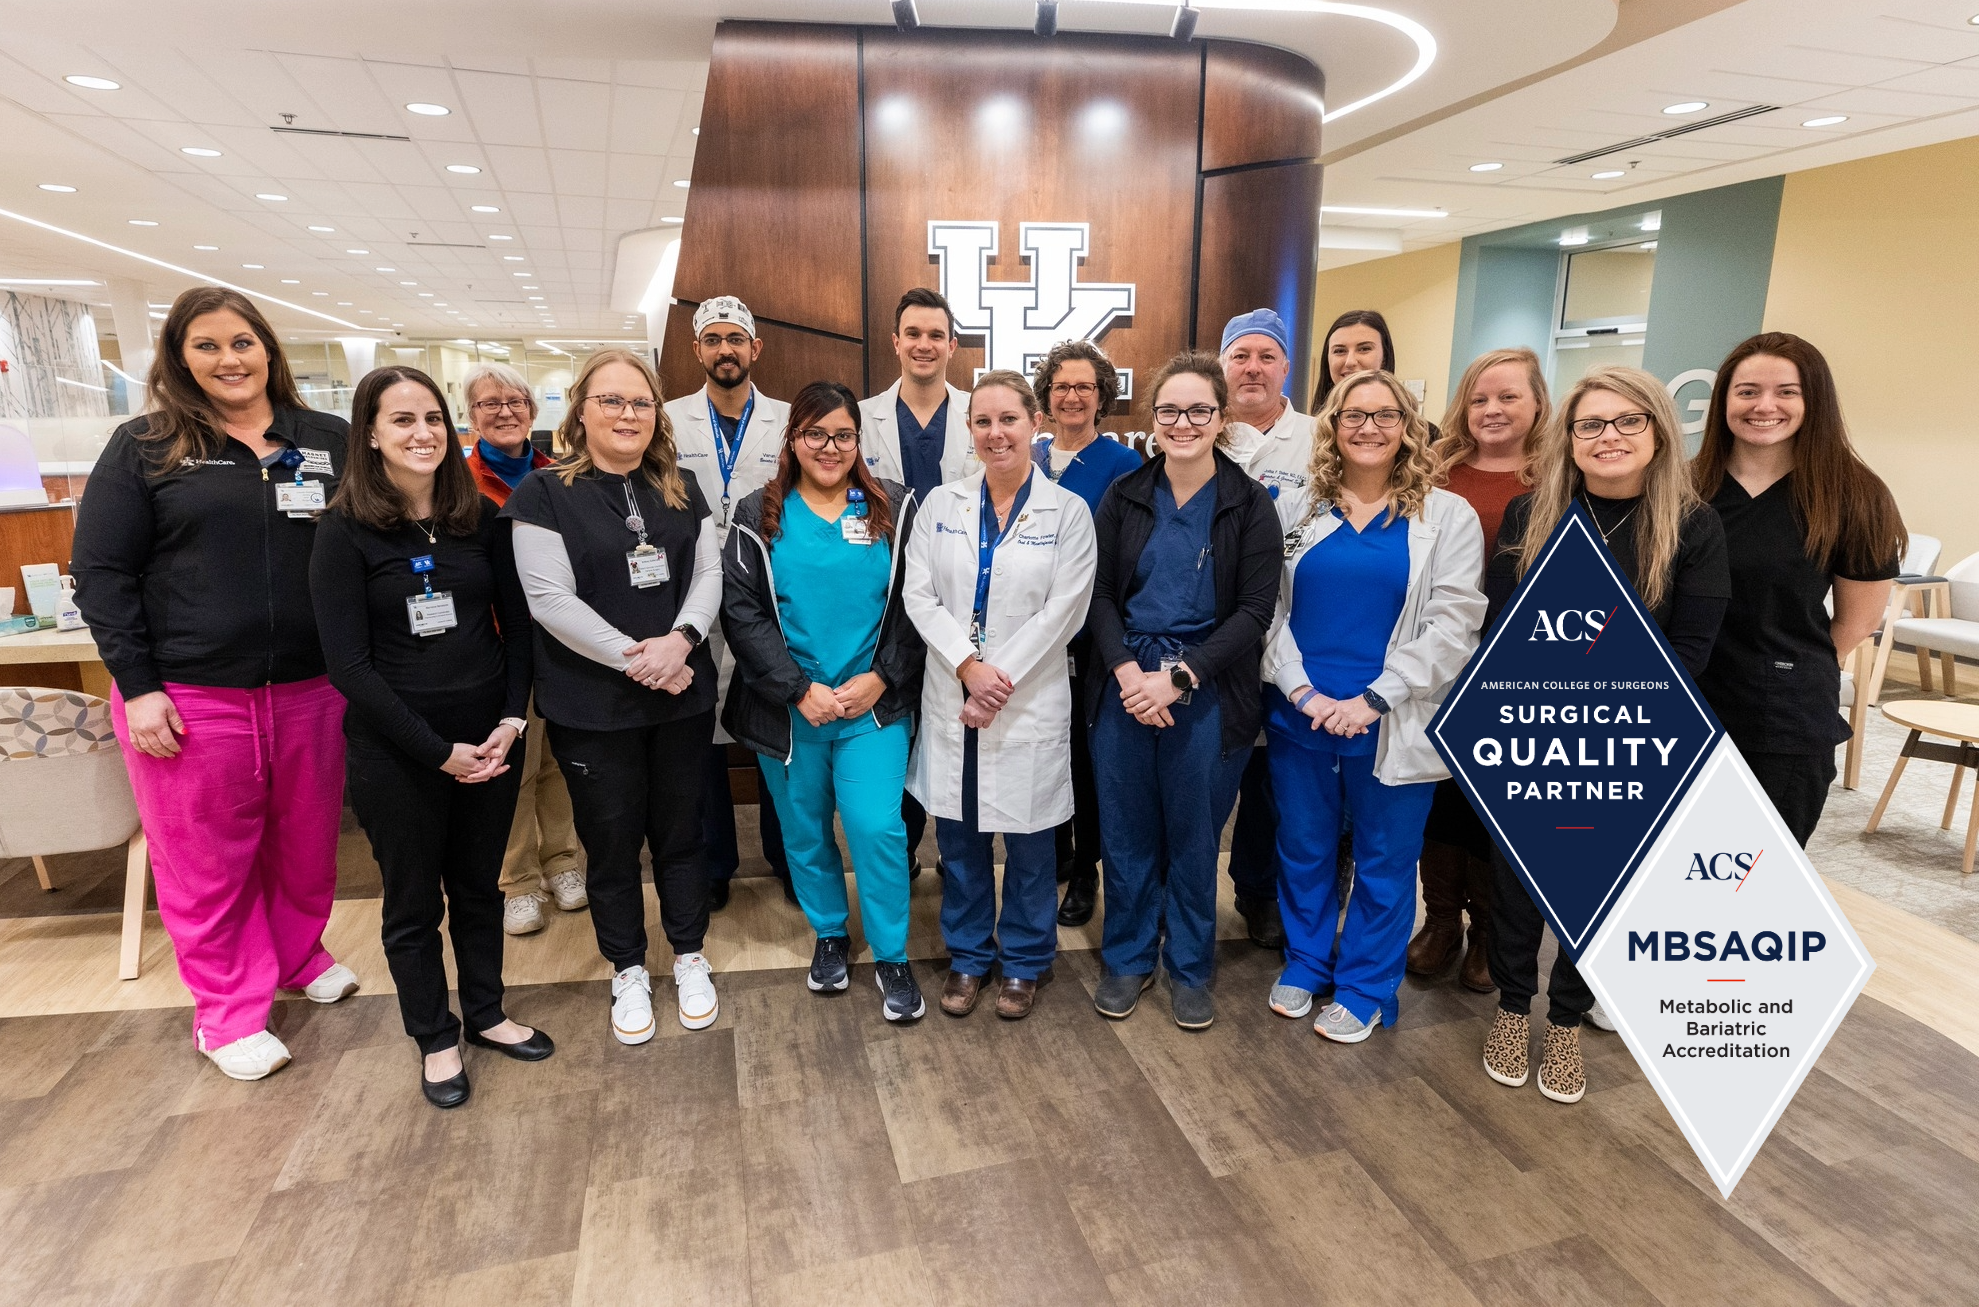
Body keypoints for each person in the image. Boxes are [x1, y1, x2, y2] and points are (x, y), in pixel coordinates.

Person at [72, 287, 358, 1083]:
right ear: (179, 358)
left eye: (243, 341)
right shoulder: (146, 447)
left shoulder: (327, 438)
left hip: (313, 686)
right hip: (192, 695)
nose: (229, 359)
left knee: (304, 845)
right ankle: (227, 1011)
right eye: (207, 345)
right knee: (205, 860)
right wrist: (137, 685)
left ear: (268, 348)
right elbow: (100, 572)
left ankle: (299, 952)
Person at [1485, 365, 1729, 1104]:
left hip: (1631, 740)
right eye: (1590, 424)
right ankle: (1506, 1007)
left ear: (1657, 431)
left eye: (1627, 421)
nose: (1608, 437)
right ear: (1569, 436)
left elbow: (1690, 651)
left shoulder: (1692, 525)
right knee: (1516, 885)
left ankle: (1563, 1021)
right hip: (1534, 732)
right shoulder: (1531, 515)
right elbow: (1499, 631)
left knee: (1601, 894)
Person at [312, 366, 553, 1108]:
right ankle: (435, 1036)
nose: (421, 433)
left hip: (489, 740)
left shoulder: (478, 517)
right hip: (399, 751)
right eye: (401, 420)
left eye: (431, 419)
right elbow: (348, 664)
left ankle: (485, 1011)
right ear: (371, 435)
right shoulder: (342, 530)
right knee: (413, 902)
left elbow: (517, 630)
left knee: (479, 887)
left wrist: (511, 722)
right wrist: (435, 749)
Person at [502, 347, 723, 1046]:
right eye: (612, 400)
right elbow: (547, 599)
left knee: (683, 837)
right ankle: (627, 966)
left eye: (640, 402)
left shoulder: (682, 485)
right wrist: (644, 659)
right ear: (581, 409)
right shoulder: (544, 492)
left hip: (682, 696)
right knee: (610, 842)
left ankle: (688, 953)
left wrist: (681, 640)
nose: (627, 414)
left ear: (656, 414)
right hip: (594, 705)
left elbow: (709, 576)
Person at [1263, 369, 1485, 1043]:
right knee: (1302, 847)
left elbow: (1455, 623)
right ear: (1330, 426)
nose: (1366, 427)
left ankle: (1364, 985)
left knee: (1387, 859)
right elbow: (1265, 609)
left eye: (1384, 415)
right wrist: (1299, 689)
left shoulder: (1444, 516)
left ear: (1408, 428)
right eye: (1351, 414)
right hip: (1300, 712)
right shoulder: (1296, 510)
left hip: (1392, 716)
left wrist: (1373, 698)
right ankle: (1305, 961)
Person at [1086, 351, 1280, 1030]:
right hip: (1126, 682)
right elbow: (1101, 594)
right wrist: (1127, 673)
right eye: (1169, 410)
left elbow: (1254, 610)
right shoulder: (1126, 495)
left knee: (1194, 837)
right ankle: (1128, 957)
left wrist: (1180, 677)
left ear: (1222, 419)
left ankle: (1190, 966)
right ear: (1153, 418)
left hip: (1206, 688)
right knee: (1128, 830)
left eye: (1199, 409)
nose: (1183, 422)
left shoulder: (1249, 505)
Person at [722, 382, 928, 1020]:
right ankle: (831, 936)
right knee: (803, 831)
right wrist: (795, 688)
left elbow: (918, 607)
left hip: (872, 706)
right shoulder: (758, 512)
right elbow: (742, 612)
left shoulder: (895, 506)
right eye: (814, 434)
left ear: (858, 440)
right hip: (791, 711)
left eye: (842, 434)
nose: (829, 447)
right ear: (793, 440)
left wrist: (883, 679)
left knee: (876, 827)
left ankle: (892, 953)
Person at [907, 371, 1097, 1019]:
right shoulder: (939, 505)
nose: (996, 433)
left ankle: (1022, 958)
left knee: (1030, 841)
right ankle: (966, 954)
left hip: (1026, 703)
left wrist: (995, 679)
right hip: (955, 694)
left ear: (1034, 422)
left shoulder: (1067, 512)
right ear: (970, 431)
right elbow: (918, 595)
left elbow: (1063, 612)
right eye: (983, 421)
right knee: (958, 841)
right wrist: (967, 665)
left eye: (1008, 419)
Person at [1694, 333, 1904, 846]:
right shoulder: (1685, 488)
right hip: (1685, 705)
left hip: (1782, 719)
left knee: (1753, 878)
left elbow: (1856, 622)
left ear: (1814, 401)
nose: (1764, 406)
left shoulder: (1855, 495)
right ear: (1723, 401)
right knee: (1665, 875)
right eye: (1747, 391)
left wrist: (1782, 670)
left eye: (1786, 391)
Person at [1410, 348, 1551, 993]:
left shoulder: (1558, 476)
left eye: (1508, 397)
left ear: (1538, 403)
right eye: (1479, 399)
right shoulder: (1433, 472)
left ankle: (1493, 931)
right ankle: (1441, 921)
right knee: (1440, 799)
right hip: (1442, 662)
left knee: (1501, 807)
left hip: (1520, 665)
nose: (1492, 410)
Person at [661, 296, 794, 911]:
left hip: (764, 589)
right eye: (712, 340)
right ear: (697, 350)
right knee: (700, 726)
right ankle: (714, 860)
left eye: (734, 340)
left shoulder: (789, 420)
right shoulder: (666, 420)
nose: (724, 351)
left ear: (754, 349)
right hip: (690, 589)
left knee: (773, 716)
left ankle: (786, 855)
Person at [460, 361, 587, 938]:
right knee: (512, 765)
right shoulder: (458, 485)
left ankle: (562, 862)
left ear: (534, 412)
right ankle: (516, 882)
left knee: (558, 763)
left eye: (514, 401)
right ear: (471, 415)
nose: (504, 412)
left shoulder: (562, 476)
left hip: (562, 643)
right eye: (489, 403)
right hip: (496, 645)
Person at [861, 287, 976, 876]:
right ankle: (900, 856)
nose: (924, 344)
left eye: (937, 335)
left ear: (952, 344)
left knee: (954, 730)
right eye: (914, 333)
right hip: (884, 600)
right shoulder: (861, 418)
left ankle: (962, 860)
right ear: (895, 341)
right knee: (897, 729)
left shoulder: (980, 416)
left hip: (960, 600)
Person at [1028, 339, 1141, 929]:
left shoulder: (1124, 468)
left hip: (1093, 641)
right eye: (1061, 386)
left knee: (1085, 758)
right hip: (1029, 642)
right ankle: (1050, 858)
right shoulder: (1027, 456)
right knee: (1040, 754)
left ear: (1103, 397)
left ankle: (1084, 871)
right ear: (1046, 396)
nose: (1072, 396)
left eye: (1085, 387)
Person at [1218, 308, 1321, 952]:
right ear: (1223, 365)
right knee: (1213, 767)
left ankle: (1259, 894)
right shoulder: (1202, 429)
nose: (1252, 368)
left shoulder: (1321, 437)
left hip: (1294, 628)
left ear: (1286, 366)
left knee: (1273, 778)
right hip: (1218, 634)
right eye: (1240, 356)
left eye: (1265, 356)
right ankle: (1187, 895)